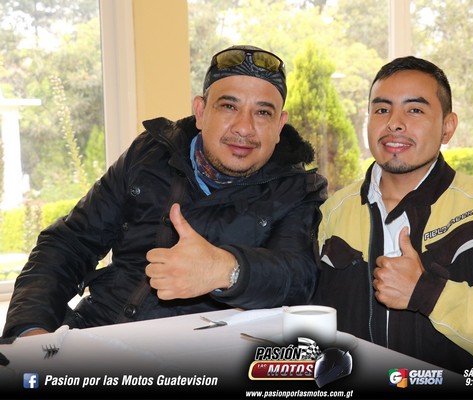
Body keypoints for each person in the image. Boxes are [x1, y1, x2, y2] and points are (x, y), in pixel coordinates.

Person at [2, 45, 327, 338]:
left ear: (280, 125)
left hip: (201, 359)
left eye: (263, 113)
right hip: (97, 333)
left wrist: (226, 269)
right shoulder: (150, 154)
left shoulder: (297, 189)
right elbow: (70, 242)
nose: (244, 127)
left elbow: (298, 279)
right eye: (229, 106)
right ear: (201, 112)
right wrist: (30, 328)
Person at [312, 56, 473, 380]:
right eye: (382, 109)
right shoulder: (334, 211)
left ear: (447, 127)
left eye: (414, 110)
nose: (394, 123)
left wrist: (428, 293)